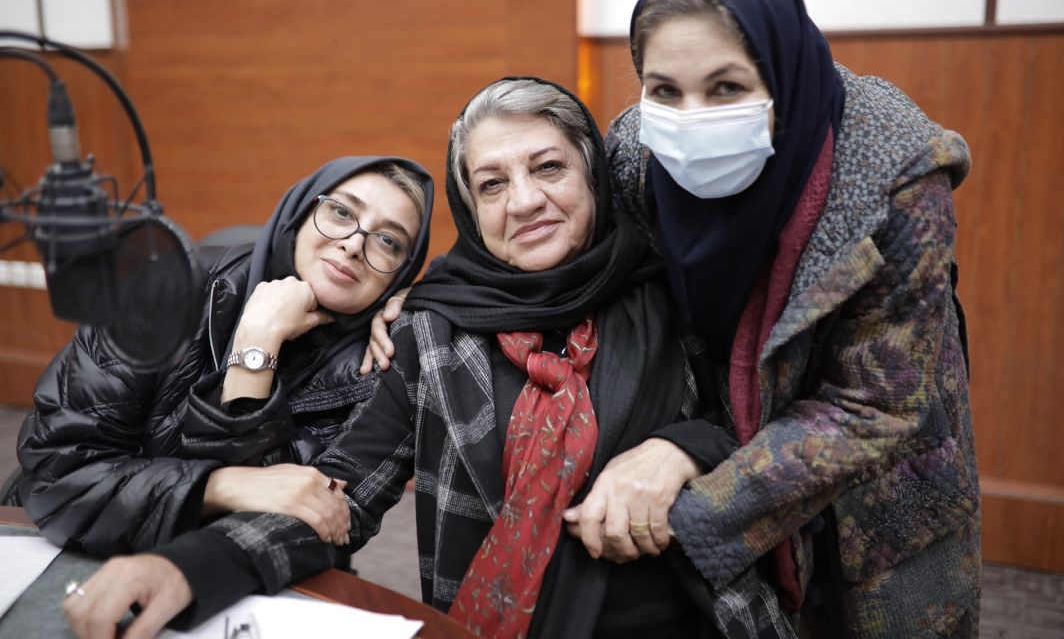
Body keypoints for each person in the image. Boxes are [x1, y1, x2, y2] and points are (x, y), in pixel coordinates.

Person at [317, 77, 792, 639]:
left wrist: (683, 450)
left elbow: (779, 439)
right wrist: (226, 530)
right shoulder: (431, 331)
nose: (523, 202)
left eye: (548, 168)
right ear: (471, 210)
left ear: (593, 176)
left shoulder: (677, 296)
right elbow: (341, 495)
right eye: (492, 184)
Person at [602, 0, 980, 637]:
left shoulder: (897, 177)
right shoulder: (636, 155)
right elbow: (574, 266)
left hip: (876, 507)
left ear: (782, 77)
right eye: (664, 90)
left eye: (726, 88)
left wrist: (693, 501)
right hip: (723, 446)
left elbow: (876, 405)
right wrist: (417, 307)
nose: (690, 119)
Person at [9, 156, 433, 636]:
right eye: (341, 212)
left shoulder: (380, 365)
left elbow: (315, 524)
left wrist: (255, 363)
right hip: (64, 543)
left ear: (400, 274)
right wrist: (221, 483)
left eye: (388, 241)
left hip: (236, 591)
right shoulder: (164, 287)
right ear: (301, 211)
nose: (355, 243)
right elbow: (57, 473)